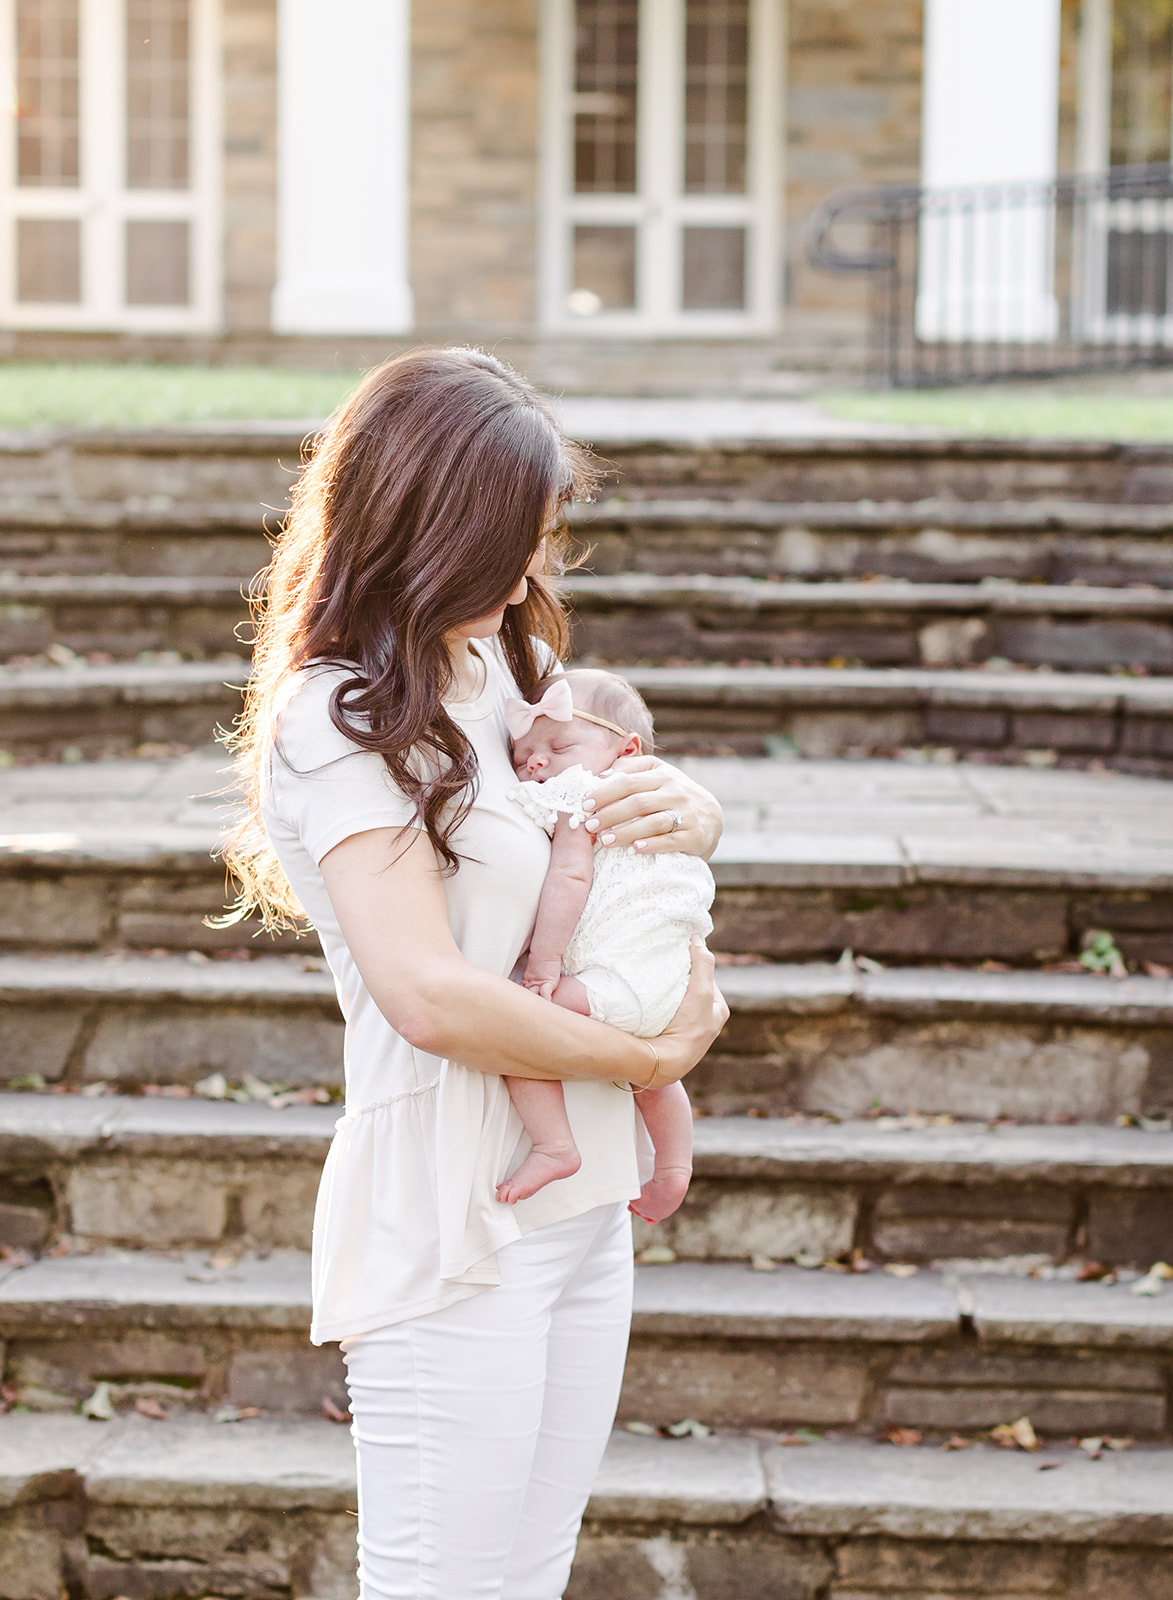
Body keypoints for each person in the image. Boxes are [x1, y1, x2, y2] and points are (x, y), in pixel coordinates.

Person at [220, 347, 727, 1600]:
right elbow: (431, 994)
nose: (534, 577)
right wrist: (652, 1056)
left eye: (546, 541)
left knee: (527, 1576)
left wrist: (686, 804)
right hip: (456, 1204)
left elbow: (603, 827)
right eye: (516, 541)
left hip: (582, 1194)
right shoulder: (335, 719)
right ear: (429, 523)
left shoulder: (502, 667)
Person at [498, 668, 714, 1230]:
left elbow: (570, 879)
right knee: (654, 1078)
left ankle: (553, 1146)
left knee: (512, 1029)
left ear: (627, 751)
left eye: (559, 745)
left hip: (610, 980)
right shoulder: (653, 804)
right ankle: (673, 1167)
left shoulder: (585, 796)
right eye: (524, 754)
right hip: (671, 983)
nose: (538, 762)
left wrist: (543, 967)